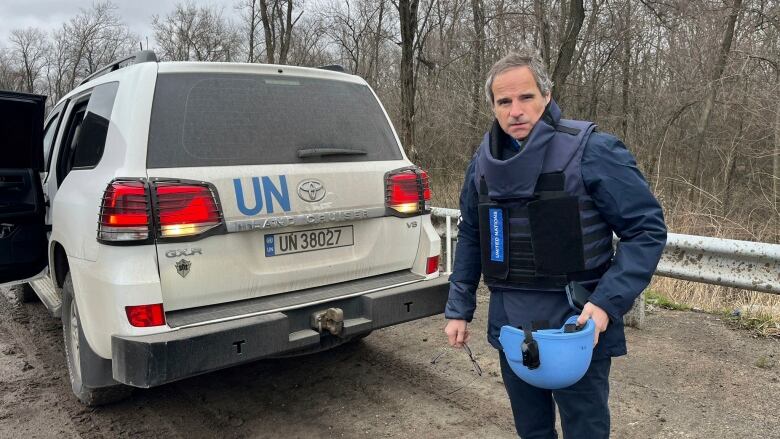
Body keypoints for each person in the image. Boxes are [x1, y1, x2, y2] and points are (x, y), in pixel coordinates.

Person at [443, 47, 667, 438]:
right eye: (504, 101)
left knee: (585, 430)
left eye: (526, 97)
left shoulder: (594, 150)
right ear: (493, 107)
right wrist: (459, 308)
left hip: (577, 324)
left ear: (546, 96)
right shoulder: (480, 164)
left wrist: (605, 304)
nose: (516, 110)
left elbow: (645, 230)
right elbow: (472, 235)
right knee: (531, 431)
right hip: (512, 325)